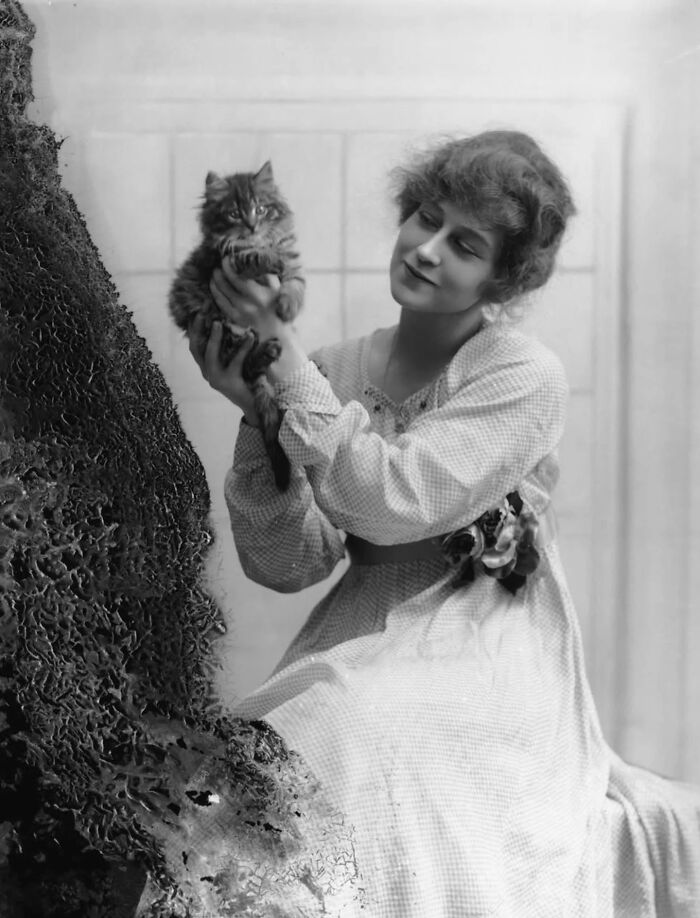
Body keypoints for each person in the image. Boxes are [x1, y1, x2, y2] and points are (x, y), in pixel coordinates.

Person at [188, 131, 700, 917]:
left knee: (358, 730)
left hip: (488, 640)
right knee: (278, 758)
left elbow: (397, 503)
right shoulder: (331, 369)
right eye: (423, 218)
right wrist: (258, 416)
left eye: (464, 244)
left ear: (505, 274)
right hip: (365, 626)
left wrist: (282, 363)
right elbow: (289, 563)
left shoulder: (523, 374)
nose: (426, 250)